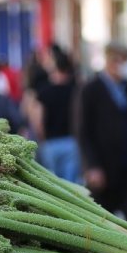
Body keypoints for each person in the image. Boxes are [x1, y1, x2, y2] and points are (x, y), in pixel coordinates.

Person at [78, 42, 127, 230]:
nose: (125, 65)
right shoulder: (91, 89)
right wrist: (92, 166)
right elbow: (83, 131)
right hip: (104, 170)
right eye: (121, 60)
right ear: (110, 60)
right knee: (103, 224)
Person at [31, 47, 81, 182]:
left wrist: (42, 139)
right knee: (71, 185)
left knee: (53, 184)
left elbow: (38, 121)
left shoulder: (44, 92)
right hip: (72, 142)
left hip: (50, 143)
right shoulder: (76, 91)